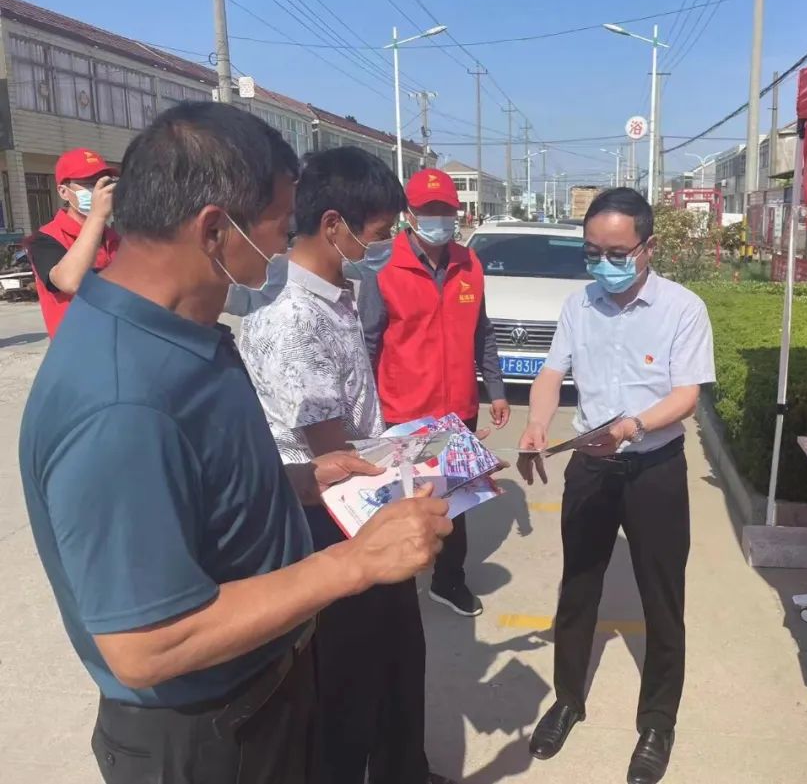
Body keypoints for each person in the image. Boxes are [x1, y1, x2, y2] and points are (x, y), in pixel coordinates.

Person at [19, 102, 451, 784]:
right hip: (210, 737)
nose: (285, 244)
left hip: (264, 693)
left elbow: (194, 492)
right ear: (215, 229)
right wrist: (356, 563)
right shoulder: (121, 401)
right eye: (280, 222)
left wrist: (297, 481)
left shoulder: (184, 332)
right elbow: (147, 645)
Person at [239, 146, 454, 784]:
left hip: (363, 498)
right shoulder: (292, 318)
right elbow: (332, 452)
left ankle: (403, 770)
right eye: (380, 232)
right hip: (330, 514)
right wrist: (426, 464)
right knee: (348, 680)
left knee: (398, 659)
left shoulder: (337, 297)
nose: (386, 245)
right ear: (334, 225)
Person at [516, 188, 715, 784]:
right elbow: (552, 371)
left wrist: (631, 427)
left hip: (654, 468)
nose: (603, 264)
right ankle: (567, 700)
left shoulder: (683, 309)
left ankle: (657, 722)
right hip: (591, 466)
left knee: (662, 598)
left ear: (649, 247)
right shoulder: (579, 306)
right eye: (592, 252)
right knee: (578, 588)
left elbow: (687, 395)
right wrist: (536, 424)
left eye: (617, 253)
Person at [359, 167, 510, 618]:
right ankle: (394, 584)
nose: (438, 219)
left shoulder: (469, 264)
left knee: (455, 502)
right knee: (400, 501)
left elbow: (482, 331)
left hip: (458, 410)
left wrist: (496, 389)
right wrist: (364, 412)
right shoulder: (383, 264)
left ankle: (448, 580)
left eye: (445, 210)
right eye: (428, 210)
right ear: (409, 214)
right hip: (402, 411)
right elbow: (368, 340)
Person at [25, 148, 120, 338]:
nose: (99, 190)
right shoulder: (45, 239)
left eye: (104, 182)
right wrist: (97, 215)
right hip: (77, 350)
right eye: (89, 183)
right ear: (63, 191)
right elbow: (70, 282)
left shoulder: (114, 237)